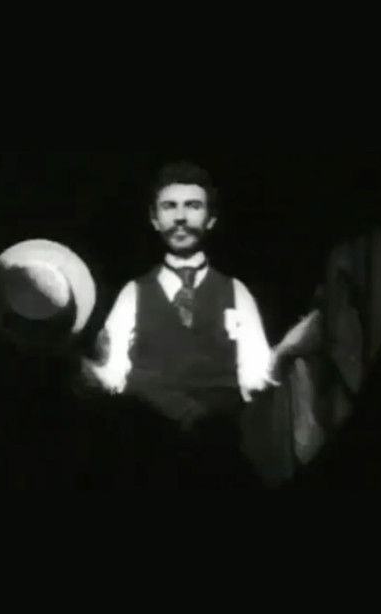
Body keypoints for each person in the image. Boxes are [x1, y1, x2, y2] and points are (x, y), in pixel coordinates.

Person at [81, 161, 280, 489]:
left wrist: (286, 352)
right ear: (154, 218)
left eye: (193, 206)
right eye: (169, 206)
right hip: (148, 460)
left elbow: (256, 377)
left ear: (211, 218)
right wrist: (87, 370)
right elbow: (112, 376)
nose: (181, 217)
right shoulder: (133, 293)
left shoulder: (236, 292)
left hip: (217, 461)